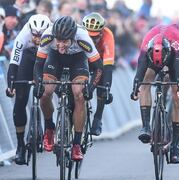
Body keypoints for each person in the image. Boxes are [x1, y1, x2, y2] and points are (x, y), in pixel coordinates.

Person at [33, 16, 103, 161]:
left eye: (65, 41)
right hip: (55, 59)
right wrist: (38, 83)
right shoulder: (47, 35)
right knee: (45, 93)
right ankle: (49, 127)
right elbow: (38, 64)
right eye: (58, 40)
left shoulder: (82, 37)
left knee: (79, 95)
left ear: (73, 37)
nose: (60, 44)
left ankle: (76, 144)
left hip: (78, 60)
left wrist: (91, 87)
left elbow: (98, 68)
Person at [131, 23, 179, 164]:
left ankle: (175, 146)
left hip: (174, 57)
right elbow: (139, 73)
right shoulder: (145, 47)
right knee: (145, 83)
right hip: (154, 54)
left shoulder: (177, 46)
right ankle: (146, 127)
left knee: (178, 97)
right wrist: (135, 88)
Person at [6, 14, 51, 165]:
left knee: (46, 94)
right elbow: (14, 62)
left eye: (41, 35)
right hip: (28, 58)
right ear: (30, 30)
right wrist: (11, 85)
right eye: (35, 34)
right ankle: (20, 145)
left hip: (45, 59)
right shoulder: (23, 35)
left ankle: (49, 128)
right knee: (20, 99)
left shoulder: (52, 34)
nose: (37, 38)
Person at [82, 12, 115, 136]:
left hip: (100, 62)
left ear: (101, 33)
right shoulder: (79, 34)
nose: (92, 40)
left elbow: (108, 66)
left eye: (95, 37)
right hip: (83, 60)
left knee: (102, 87)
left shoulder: (108, 35)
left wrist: (107, 87)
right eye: (89, 36)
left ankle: (98, 117)